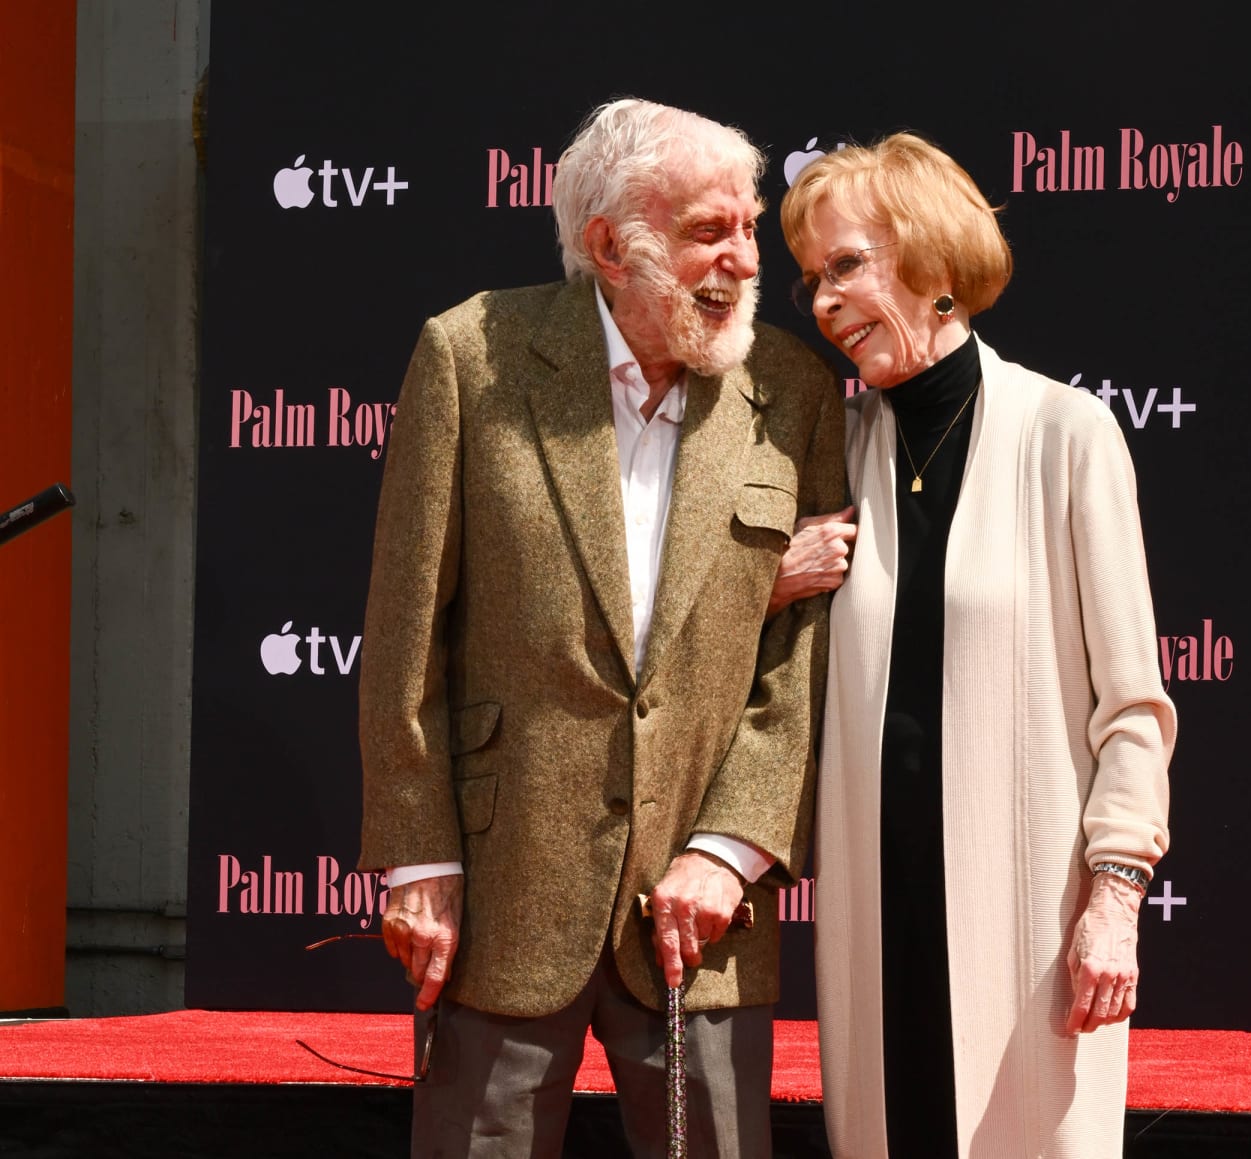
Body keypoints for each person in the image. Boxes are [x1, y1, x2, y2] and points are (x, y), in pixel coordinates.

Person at [357, 97, 846, 1158]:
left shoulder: (794, 391)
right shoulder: (472, 357)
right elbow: (405, 636)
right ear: (610, 246)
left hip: (702, 910)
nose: (742, 259)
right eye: (707, 231)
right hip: (503, 888)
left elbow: (797, 664)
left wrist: (731, 850)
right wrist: (416, 859)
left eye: (748, 227)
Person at [777, 133, 1175, 1157]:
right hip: (878, 915)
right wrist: (767, 586)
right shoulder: (831, 451)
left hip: (1028, 918)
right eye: (812, 277)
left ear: (933, 260)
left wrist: (1114, 900)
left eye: (847, 265)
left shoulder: (1067, 433)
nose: (821, 301)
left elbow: (1134, 708)